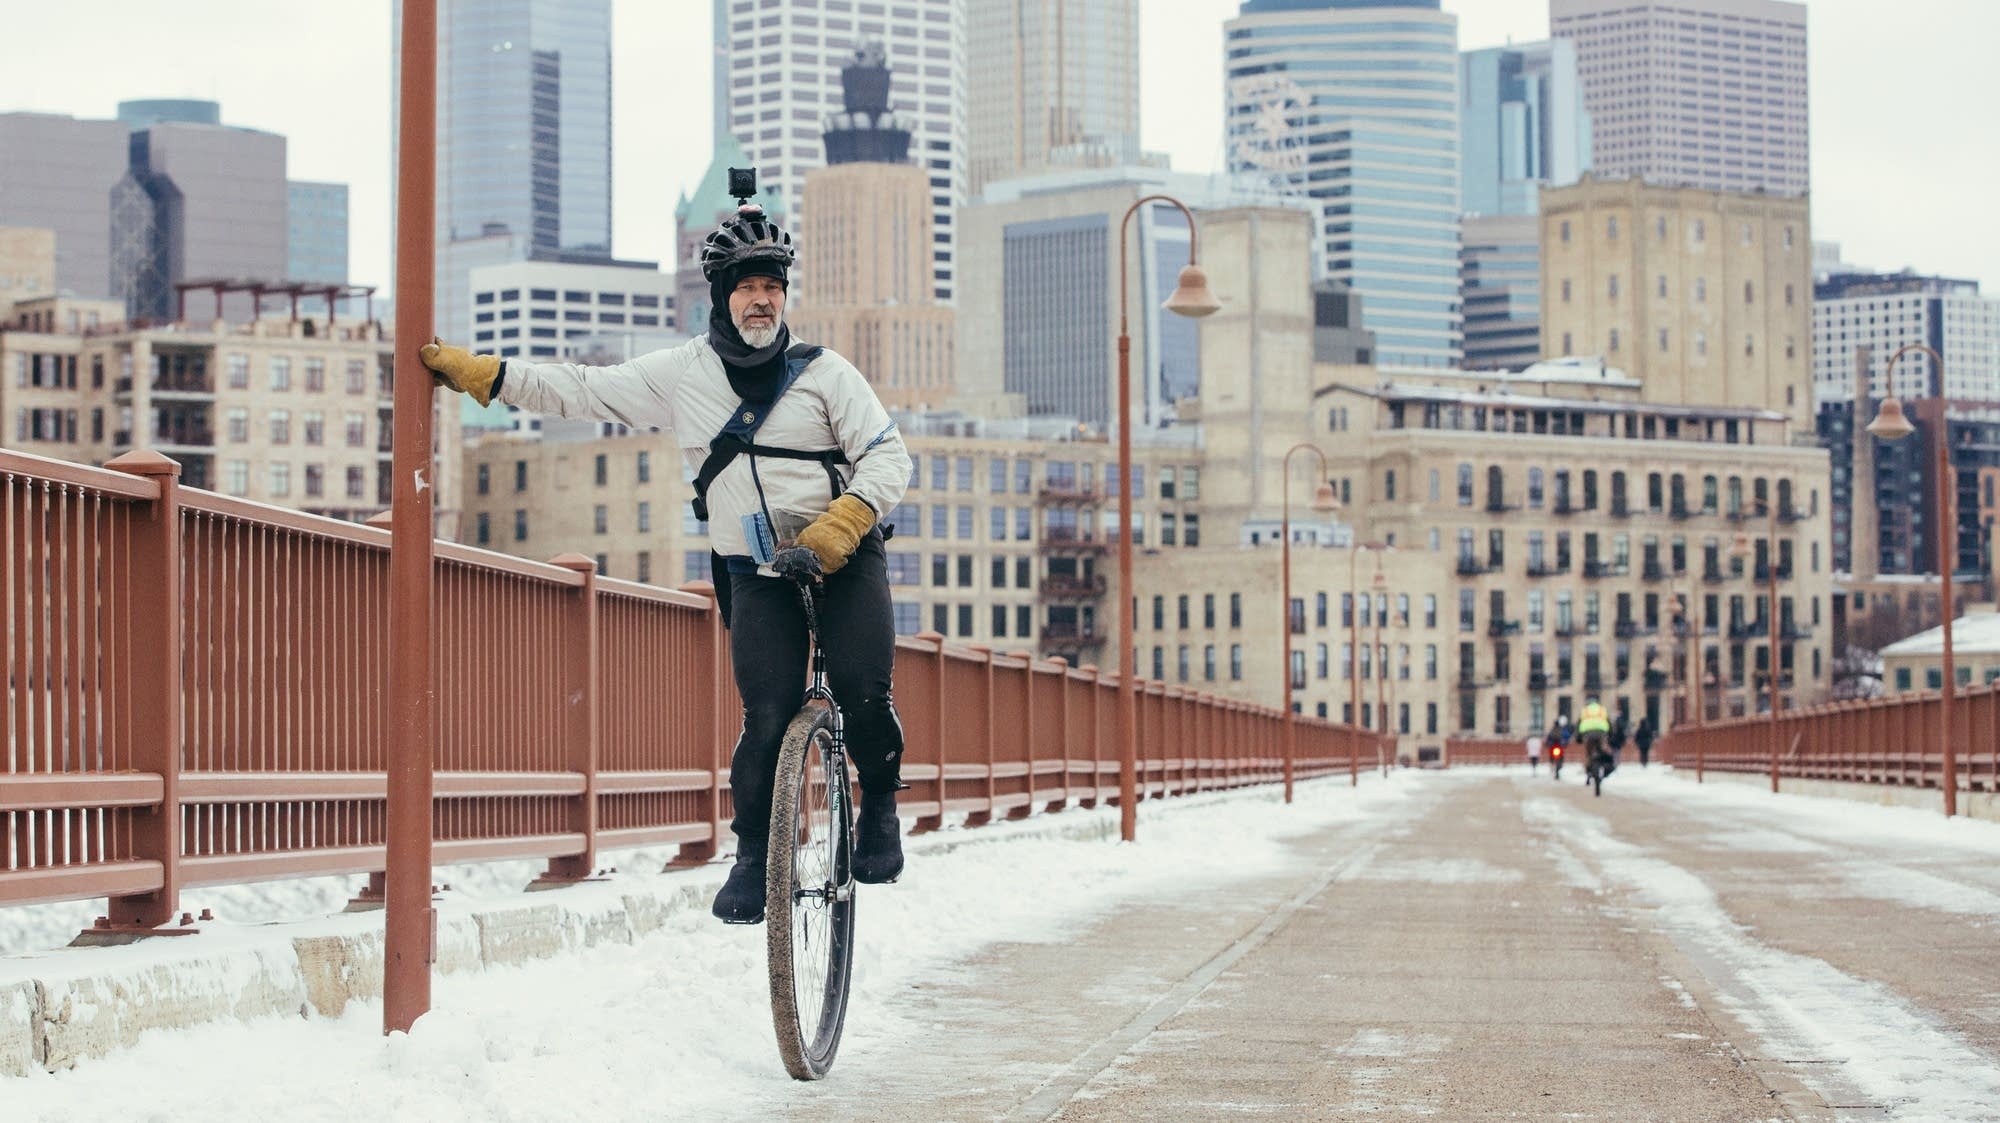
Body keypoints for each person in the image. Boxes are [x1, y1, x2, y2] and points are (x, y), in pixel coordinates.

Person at [419, 190, 914, 924]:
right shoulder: (683, 373)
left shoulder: (826, 373)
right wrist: (488, 376)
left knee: (864, 689)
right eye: (747, 286)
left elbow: (889, 455)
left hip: (840, 555)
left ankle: (878, 809)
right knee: (767, 712)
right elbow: (582, 389)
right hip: (758, 571)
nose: (761, 301)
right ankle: (753, 857)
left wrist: (841, 525)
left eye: (773, 287)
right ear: (719, 296)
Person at [1577, 696, 1613, 780]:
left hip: (1587, 733)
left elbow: (1578, 725)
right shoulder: (1602, 709)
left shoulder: (1584, 710)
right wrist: (1611, 735)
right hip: (1601, 733)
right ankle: (1605, 765)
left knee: (1588, 753)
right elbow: (1609, 722)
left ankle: (1589, 769)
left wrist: (1578, 737)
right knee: (1603, 749)